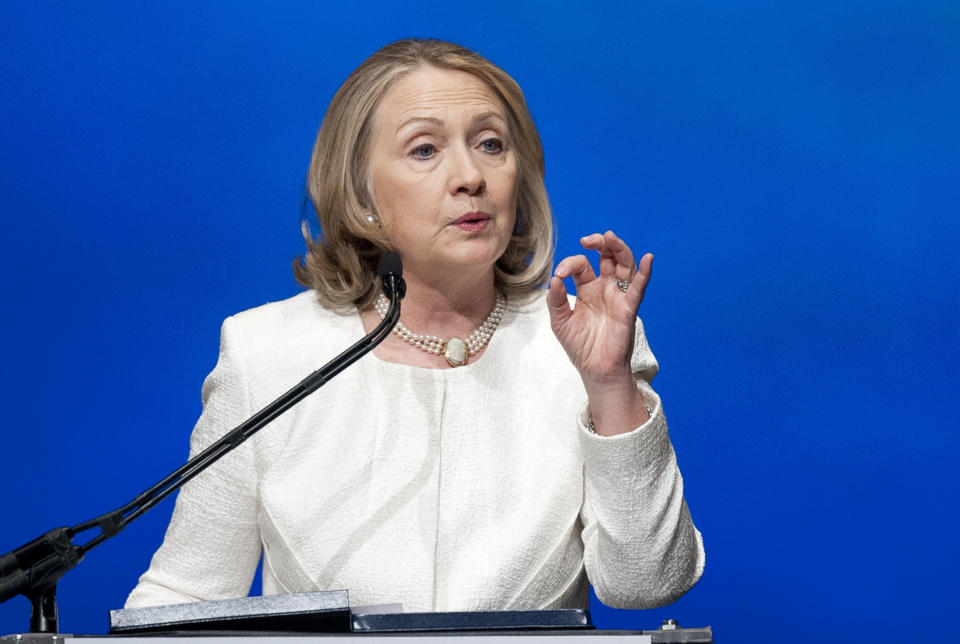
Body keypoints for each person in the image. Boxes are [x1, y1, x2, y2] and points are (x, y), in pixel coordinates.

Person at [125, 38, 704, 613]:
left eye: (491, 144)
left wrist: (608, 385)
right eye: (425, 150)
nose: (470, 176)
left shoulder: (578, 347)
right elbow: (184, 597)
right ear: (362, 193)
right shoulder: (268, 354)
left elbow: (646, 585)